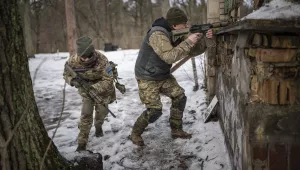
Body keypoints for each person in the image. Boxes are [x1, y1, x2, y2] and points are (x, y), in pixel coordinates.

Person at [130, 7, 213, 146]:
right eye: (184, 23)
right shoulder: (157, 34)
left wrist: (205, 39)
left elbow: (192, 51)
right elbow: (170, 57)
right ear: (174, 25)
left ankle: (176, 130)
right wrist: (189, 41)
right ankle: (135, 132)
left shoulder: (175, 32)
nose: (187, 26)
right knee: (154, 111)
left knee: (180, 97)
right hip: (147, 76)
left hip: (162, 74)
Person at [63, 36, 116, 151]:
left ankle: (98, 126)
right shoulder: (73, 61)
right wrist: (72, 81)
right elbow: (66, 74)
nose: (86, 60)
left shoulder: (102, 60)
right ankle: (82, 143)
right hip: (85, 90)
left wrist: (93, 88)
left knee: (102, 112)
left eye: (88, 56)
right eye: (83, 57)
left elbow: (108, 80)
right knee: (86, 115)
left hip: (102, 89)